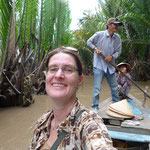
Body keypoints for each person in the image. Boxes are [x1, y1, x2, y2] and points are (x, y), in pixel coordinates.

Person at [29, 46, 116, 150]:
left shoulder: (89, 124)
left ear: (80, 80)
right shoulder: (42, 121)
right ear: (46, 76)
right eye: (53, 69)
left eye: (68, 70)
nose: (58, 75)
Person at [87, 18, 123, 111]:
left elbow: (118, 51)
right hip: (99, 65)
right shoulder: (99, 34)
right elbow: (89, 42)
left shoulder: (117, 38)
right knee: (97, 88)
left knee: (114, 87)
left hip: (110, 65)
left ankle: (117, 105)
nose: (116, 26)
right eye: (114, 24)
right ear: (109, 25)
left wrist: (112, 56)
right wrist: (95, 48)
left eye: (117, 25)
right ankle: (95, 107)